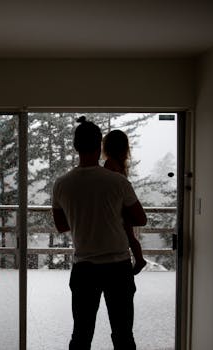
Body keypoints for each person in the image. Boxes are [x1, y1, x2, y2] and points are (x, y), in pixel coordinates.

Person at [52, 116, 147, 350]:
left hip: (84, 267)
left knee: (81, 336)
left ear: (75, 146)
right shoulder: (117, 182)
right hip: (118, 266)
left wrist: (85, 216)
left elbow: (62, 226)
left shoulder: (62, 184)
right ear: (99, 147)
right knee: (123, 335)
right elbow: (140, 218)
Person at [102, 130, 147, 275]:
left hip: (118, 207)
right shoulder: (119, 164)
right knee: (130, 235)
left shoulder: (110, 164)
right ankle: (139, 259)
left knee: (129, 234)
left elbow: (110, 187)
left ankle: (140, 260)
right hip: (122, 205)